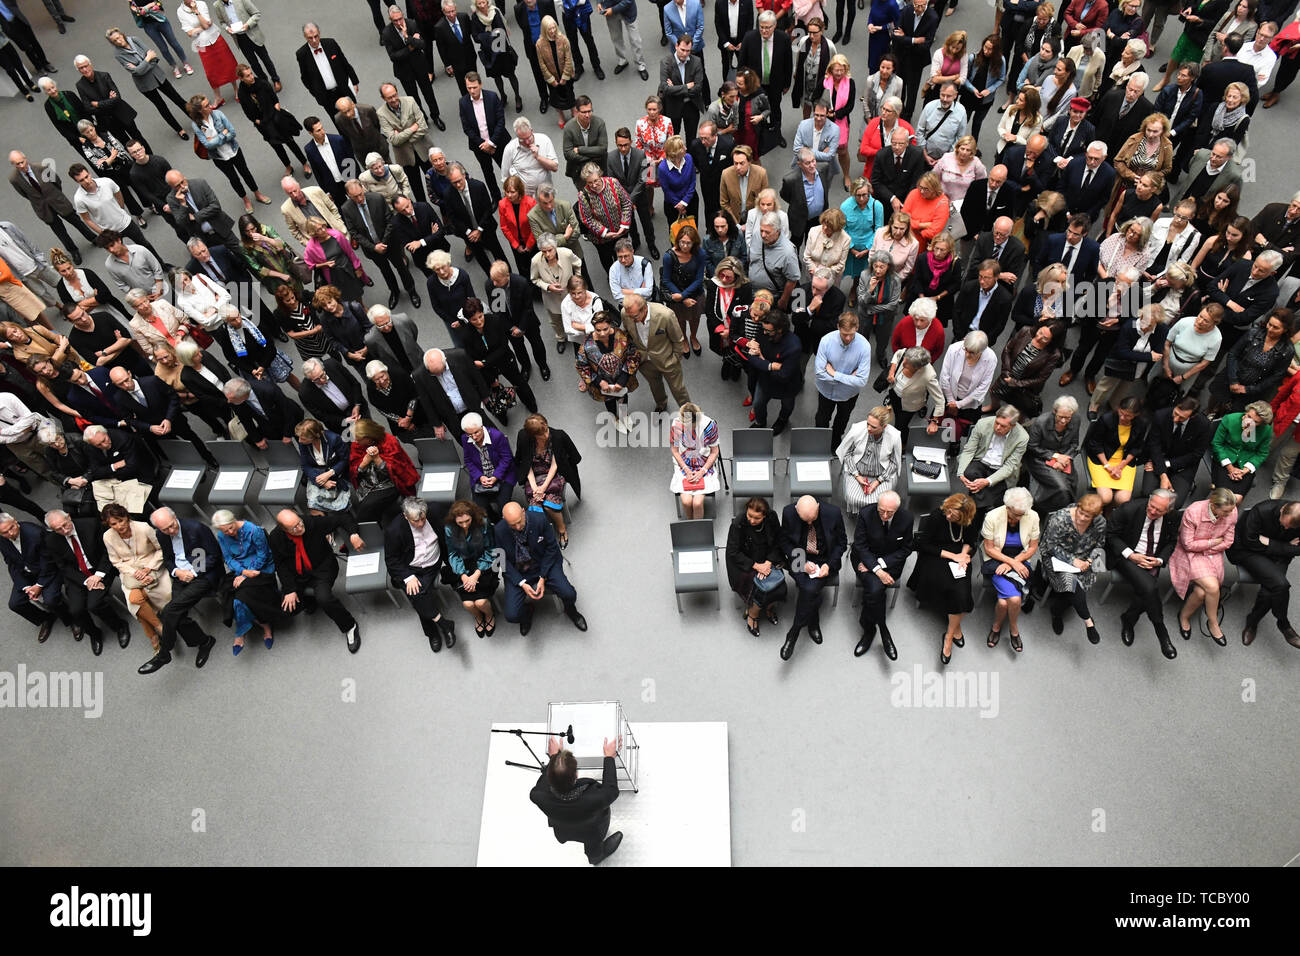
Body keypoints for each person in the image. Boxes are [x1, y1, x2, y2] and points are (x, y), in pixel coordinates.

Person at [135, 506, 219, 674]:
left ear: (175, 517)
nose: (171, 531)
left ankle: (164, 654)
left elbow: (214, 556)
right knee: (175, 615)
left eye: (172, 526)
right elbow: (168, 559)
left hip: (202, 574)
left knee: (169, 611)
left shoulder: (196, 528)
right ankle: (204, 642)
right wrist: (177, 572)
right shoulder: (161, 534)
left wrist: (193, 572)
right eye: (165, 529)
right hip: (180, 575)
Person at [268, 507, 362, 654]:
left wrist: (354, 534)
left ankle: (350, 626)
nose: (300, 527)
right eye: (294, 528)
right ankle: (308, 601)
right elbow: (280, 564)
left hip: (322, 569)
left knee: (324, 598)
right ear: (284, 530)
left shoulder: (311, 523)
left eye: (299, 522)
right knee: (287, 609)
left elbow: (342, 518)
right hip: (298, 575)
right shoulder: (275, 537)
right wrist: (290, 589)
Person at [42, 507, 131, 657]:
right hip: (78, 577)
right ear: (52, 530)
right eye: (58, 529)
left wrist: (98, 576)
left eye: (65, 525)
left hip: (99, 570)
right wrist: (85, 581)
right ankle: (94, 633)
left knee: (94, 604)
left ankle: (120, 626)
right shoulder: (51, 540)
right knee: (75, 610)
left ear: (69, 517)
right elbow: (63, 567)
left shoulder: (90, 524)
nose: (64, 531)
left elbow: (107, 552)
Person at [1105, 490, 1181, 659]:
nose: (1153, 512)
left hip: (1152, 559)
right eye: (1151, 506)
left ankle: (1128, 619)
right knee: (1150, 586)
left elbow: (1171, 541)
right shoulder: (1129, 509)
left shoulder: (1174, 517)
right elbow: (1110, 535)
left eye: (1159, 510)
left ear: (1168, 510)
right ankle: (1161, 631)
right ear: (1149, 499)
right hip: (1127, 556)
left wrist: (1160, 560)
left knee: (1146, 592)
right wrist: (1131, 555)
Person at [532, 731, 623, 865]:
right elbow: (611, 791)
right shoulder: (593, 798)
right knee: (593, 845)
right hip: (592, 832)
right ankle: (595, 857)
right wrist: (609, 757)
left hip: (563, 831)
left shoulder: (538, 796)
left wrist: (554, 759)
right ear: (576, 775)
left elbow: (543, 784)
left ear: (549, 777)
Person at [496, 499, 586, 634]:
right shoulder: (498, 530)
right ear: (504, 519)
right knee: (511, 616)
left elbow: (552, 548)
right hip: (519, 572)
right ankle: (527, 612)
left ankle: (570, 609)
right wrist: (521, 583)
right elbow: (501, 560)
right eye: (512, 525)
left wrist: (542, 577)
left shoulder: (539, 519)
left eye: (519, 521)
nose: (518, 527)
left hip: (544, 564)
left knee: (569, 594)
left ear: (523, 511)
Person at [906, 492, 977, 663]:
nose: (950, 516)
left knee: (962, 592)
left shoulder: (969, 522)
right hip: (936, 555)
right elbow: (924, 545)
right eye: (950, 512)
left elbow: (970, 541)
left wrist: (964, 555)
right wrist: (953, 557)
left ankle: (949, 634)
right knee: (949, 586)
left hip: (958, 555)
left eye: (955, 515)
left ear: (964, 517)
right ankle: (952, 635)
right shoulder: (937, 516)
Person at [384, 496, 457, 652]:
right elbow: (391, 560)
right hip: (412, 568)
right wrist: (408, 577)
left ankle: (437, 631)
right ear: (405, 516)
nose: (421, 523)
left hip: (434, 561)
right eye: (415, 521)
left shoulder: (435, 511)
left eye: (423, 519)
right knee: (417, 592)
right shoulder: (394, 530)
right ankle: (441, 626)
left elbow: (450, 530)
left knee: (418, 597)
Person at [778, 495, 847, 661]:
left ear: (817, 507)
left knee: (808, 589)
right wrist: (801, 563)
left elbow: (841, 543)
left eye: (813, 519)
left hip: (824, 560)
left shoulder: (833, 513)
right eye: (805, 520)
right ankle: (813, 622)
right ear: (797, 511)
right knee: (810, 590)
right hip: (800, 557)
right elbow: (784, 541)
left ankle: (793, 633)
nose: (809, 523)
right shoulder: (788, 512)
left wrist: (828, 565)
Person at [1226, 499, 1300, 648]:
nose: (1286, 528)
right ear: (1282, 510)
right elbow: (1250, 541)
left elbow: (1298, 549)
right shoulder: (1261, 510)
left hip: (1279, 555)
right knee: (1281, 585)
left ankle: (1252, 622)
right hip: (1249, 552)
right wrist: (1284, 545)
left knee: (1269, 592)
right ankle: (1283, 624)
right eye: (1284, 523)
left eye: (1290, 527)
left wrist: (1268, 542)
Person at [99, 501, 169, 656]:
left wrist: (148, 568)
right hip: (130, 573)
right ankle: (159, 627)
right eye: (113, 524)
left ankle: (153, 636)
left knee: (140, 601)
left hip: (152, 567)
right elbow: (115, 561)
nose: (119, 526)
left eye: (121, 520)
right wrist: (133, 572)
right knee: (135, 601)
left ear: (127, 517)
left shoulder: (143, 527)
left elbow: (161, 549)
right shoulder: (107, 536)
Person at [1168, 487, 1236, 646]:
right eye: (1225, 512)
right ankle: (1213, 622)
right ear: (1213, 506)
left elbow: (1228, 541)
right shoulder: (1193, 512)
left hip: (1213, 553)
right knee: (1212, 587)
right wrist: (1212, 542)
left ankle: (1184, 616)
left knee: (1200, 592)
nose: (1229, 515)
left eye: (1231, 511)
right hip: (1189, 554)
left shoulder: (1232, 511)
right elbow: (1188, 544)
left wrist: (1208, 548)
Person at [186, 94, 271, 214]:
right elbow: (207, 145)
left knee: (245, 172)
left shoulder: (218, 114)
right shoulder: (196, 125)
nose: (210, 106)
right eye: (206, 106)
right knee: (233, 179)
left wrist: (214, 140)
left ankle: (257, 193)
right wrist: (222, 134)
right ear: (199, 110)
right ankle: (245, 200)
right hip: (219, 157)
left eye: (209, 103)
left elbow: (232, 132)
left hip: (234, 150)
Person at [0, 511, 72, 644]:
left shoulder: (35, 533)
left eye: (12, 527)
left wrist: (39, 585)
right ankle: (46, 618)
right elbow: (11, 564)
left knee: (51, 599)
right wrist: (26, 586)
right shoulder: (2, 540)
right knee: (15, 604)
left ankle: (71, 620)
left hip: (48, 572)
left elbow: (49, 562)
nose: (10, 533)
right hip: (26, 574)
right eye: (5, 532)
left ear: (15, 521)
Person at [621, 293, 690, 412]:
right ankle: (661, 404)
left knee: (678, 389)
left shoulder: (665, 315)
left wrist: (674, 359)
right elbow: (626, 332)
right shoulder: (626, 313)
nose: (632, 319)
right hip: (644, 362)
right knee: (655, 385)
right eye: (629, 316)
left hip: (667, 360)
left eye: (635, 316)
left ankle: (689, 413)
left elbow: (678, 340)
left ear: (645, 308)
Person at [1084, 395, 1153, 511]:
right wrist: (1107, 465)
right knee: (1106, 497)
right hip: (1102, 458)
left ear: (1135, 415)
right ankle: (1097, 509)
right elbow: (1095, 444)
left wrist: (1120, 466)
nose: (1122, 417)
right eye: (1121, 412)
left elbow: (1136, 448)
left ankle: (1109, 511)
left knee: (1123, 500)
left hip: (1125, 461)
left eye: (1127, 416)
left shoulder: (1141, 424)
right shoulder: (1107, 419)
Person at [576, 311, 641, 432]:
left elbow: (633, 355)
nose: (602, 333)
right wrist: (599, 382)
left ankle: (624, 415)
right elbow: (581, 366)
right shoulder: (587, 345)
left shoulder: (622, 337)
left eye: (605, 329)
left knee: (623, 397)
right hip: (603, 384)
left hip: (622, 378)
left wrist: (622, 380)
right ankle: (614, 418)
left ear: (611, 325)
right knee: (609, 401)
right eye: (598, 330)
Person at [813, 312, 872, 447]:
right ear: (838, 327)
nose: (848, 338)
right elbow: (819, 373)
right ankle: (819, 444)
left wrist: (834, 374)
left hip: (848, 395)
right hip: (825, 391)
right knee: (821, 419)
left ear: (857, 327)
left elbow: (862, 381)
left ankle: (835, 443)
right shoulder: (826, 341)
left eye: (851, 334)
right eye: (844, 334)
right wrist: (850, 378)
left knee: (842, 420)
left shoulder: (864, 346)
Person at [349, 418, 419, 525]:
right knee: (367, 508)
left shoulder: (389, 442)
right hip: (367, 484)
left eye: (359, 439)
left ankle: (371, 532)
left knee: (366, 509)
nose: (356, 441)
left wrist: (377, 459)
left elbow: (398, 470)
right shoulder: (357, 444)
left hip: (389, 484)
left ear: (368, 437)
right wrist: (365, 461)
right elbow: (355, 469)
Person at [837, 404, 903, 517]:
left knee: (880, 501)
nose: (868, 428)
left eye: (873, 427)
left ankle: (872, 516)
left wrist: (878, 481)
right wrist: (857, 476)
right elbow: (847, 453)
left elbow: (894, 462)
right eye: (868, 424)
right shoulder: (857, 429)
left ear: (884, 426)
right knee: (853, 498)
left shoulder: (894, 436)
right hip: (857, 472)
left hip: (882, 475)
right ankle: (858, 514)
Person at [1208, 402, 1272, 502]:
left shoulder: (1266, 430)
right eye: (1248, 416)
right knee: (1224, 499)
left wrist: (1245, 470)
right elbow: (1217, 444)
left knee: (1237, 499)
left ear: (1261, 423)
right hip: (1224, 459)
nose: (1249, 422)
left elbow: (1261, 453)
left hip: (1246, 464)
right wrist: (1230, 468)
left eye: (1255, 422)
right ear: (1246, 412)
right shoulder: (1230, 419)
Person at [668, 402, 719, 519]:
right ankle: (691, 524)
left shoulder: (709, 425)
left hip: (705, 464)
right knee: (686, 502)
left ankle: (697, 528)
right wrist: (686, 469)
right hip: (684, 464)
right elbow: (675, 450)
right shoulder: (676, 424)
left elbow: (715, 452)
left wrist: (702, 471)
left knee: (697, 503)